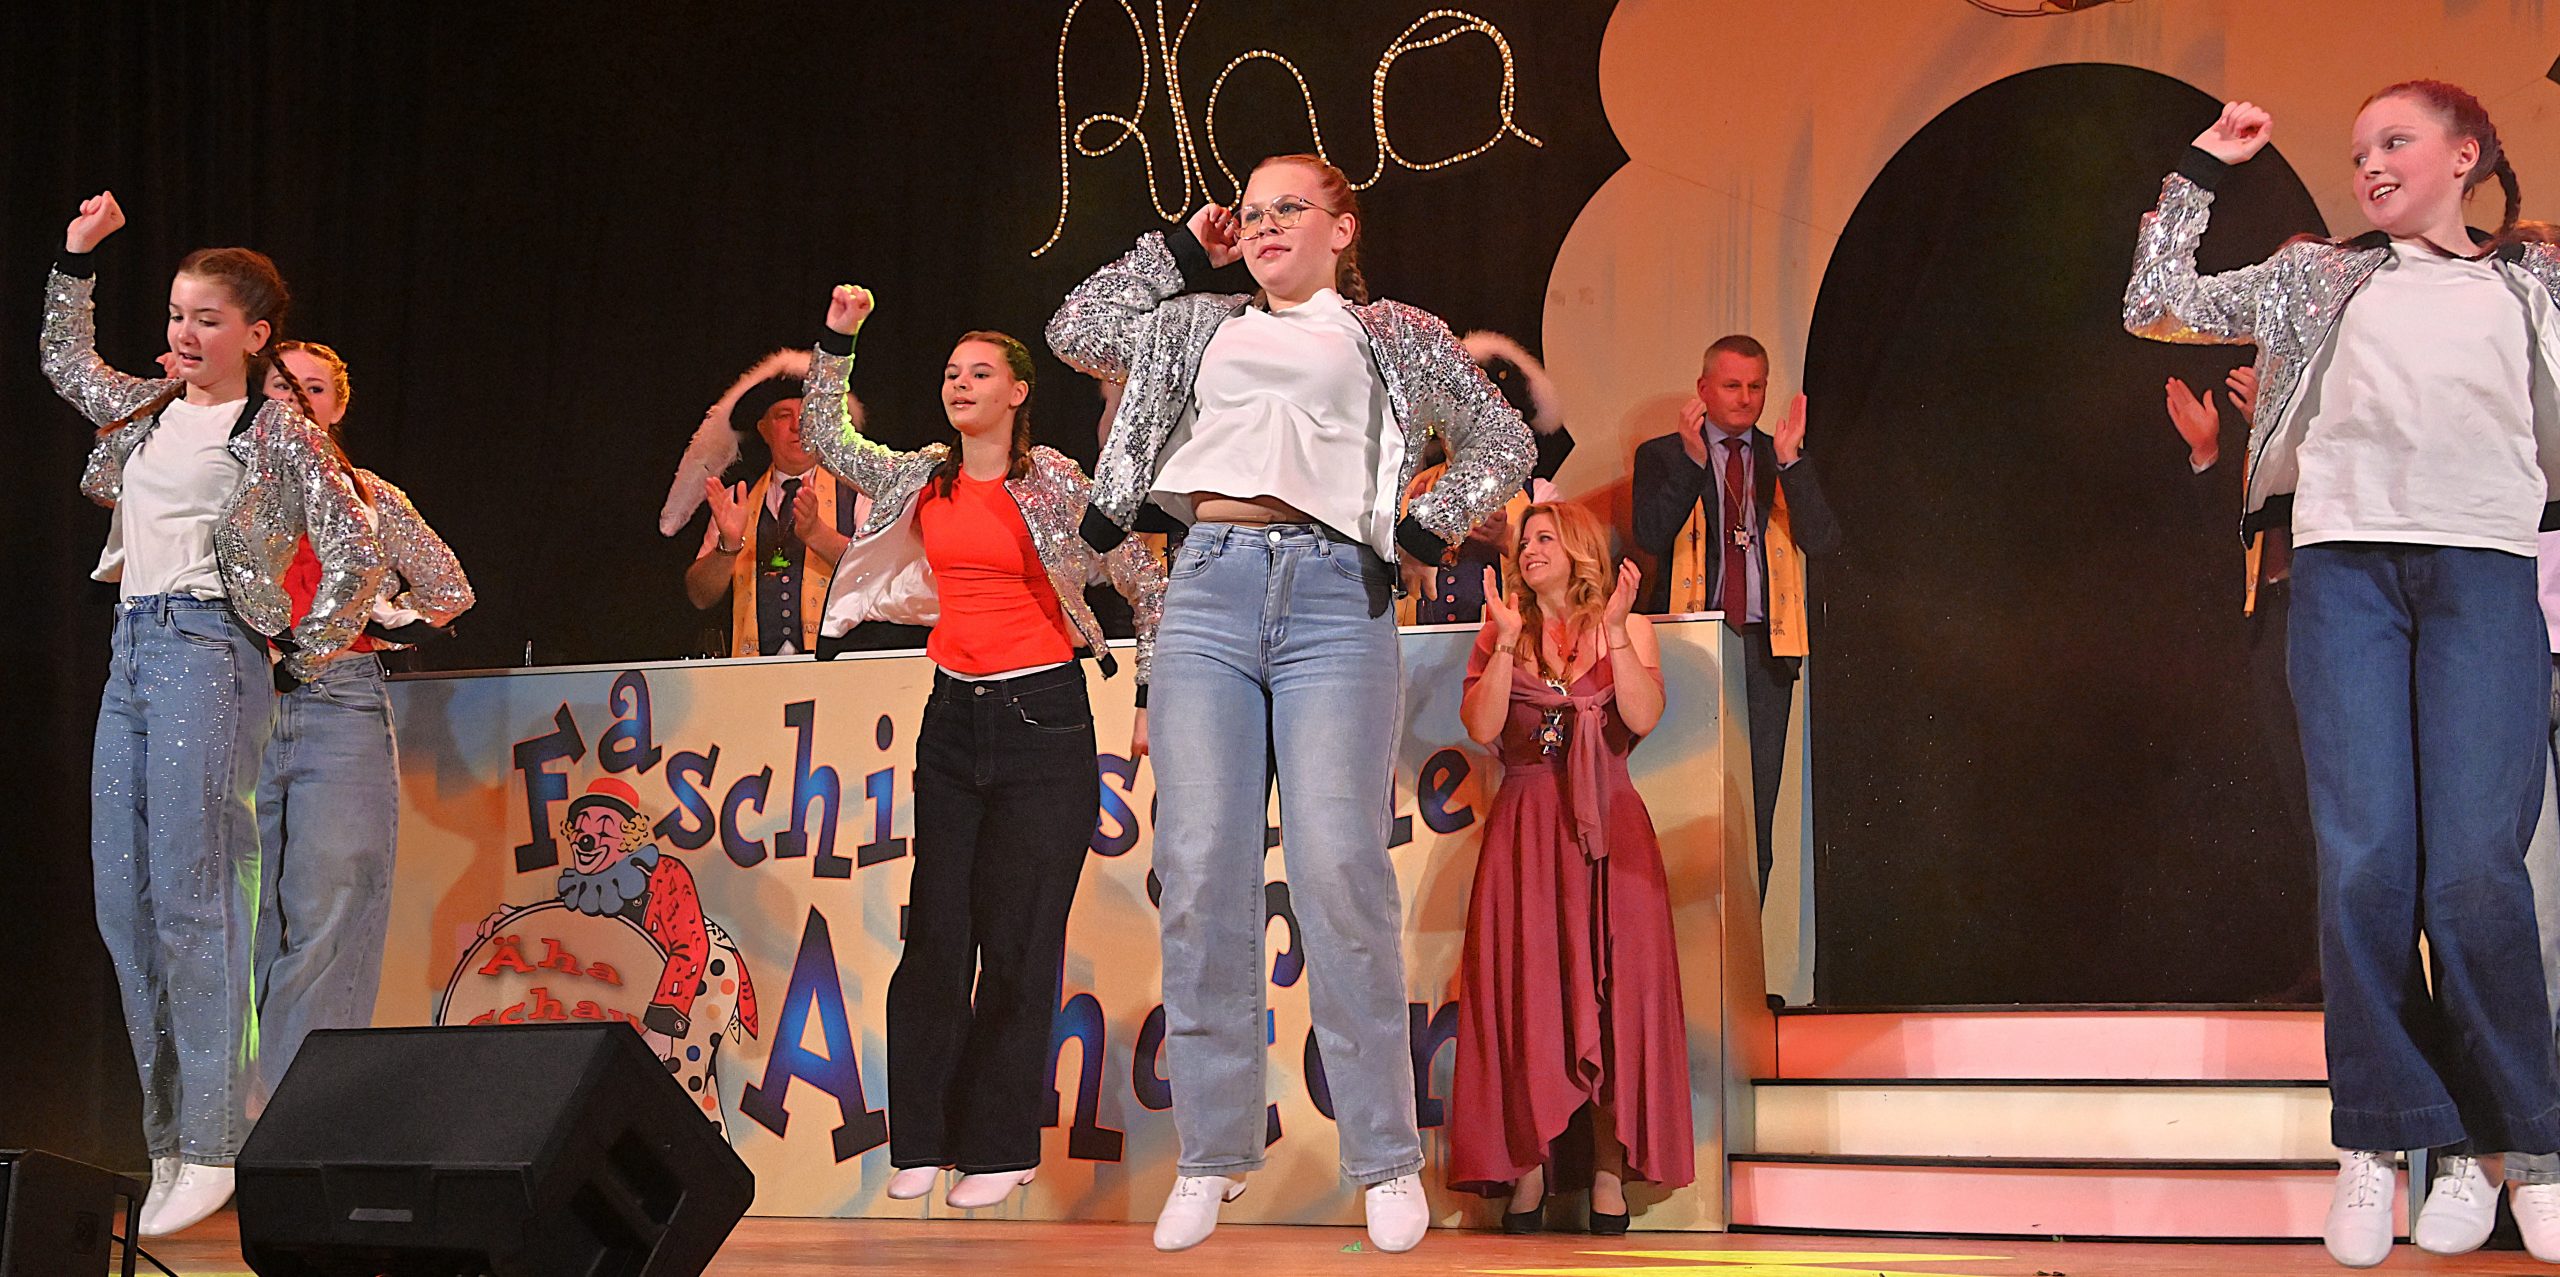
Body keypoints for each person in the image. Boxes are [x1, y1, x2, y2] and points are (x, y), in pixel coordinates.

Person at [1047, 153, 1533, 1253]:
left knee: (1338, 868)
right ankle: (1214, 1150)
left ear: (1341, 228)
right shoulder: (1197, 323)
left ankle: (1385, 1155)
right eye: (1251, 211)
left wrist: (1429, 524)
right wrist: (1185, 246)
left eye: (1287, 209)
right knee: (1200, 866)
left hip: (1334, 594)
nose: (1264, 225)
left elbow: (1504, 439)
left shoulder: (1392, 333)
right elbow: (1077, 326)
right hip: (1207, 585)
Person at [2125, 83, 2560, 1268]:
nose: (2368, 163)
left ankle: (2515, 1145)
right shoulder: (2316, 275)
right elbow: (2154, 302)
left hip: (2481, 575)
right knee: (2366, 865)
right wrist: (2201, 168)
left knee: (2473, 873)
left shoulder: (2533, 279)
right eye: (2359, 147)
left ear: (2463, 155)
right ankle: (2378, 1135)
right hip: (2344, 578)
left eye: (2394, 142)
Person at [43, 192, 383, 1236]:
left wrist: (300, 652)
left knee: (198, 899)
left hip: (206, 649)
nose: (183, 333)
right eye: (176, 315)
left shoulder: (277, 432)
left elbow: (359, 550)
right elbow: (66, 364)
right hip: (131, 647)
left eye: (206, 319)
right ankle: (169, 1138)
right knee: (125, 898)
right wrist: (77, 258)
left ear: (255, 334)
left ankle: (213, 1140)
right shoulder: (148, 409)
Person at [801, 285, 1164, 1211]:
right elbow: (826, 439)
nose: (960, 384)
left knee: (1017, 941)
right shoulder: (925, 477)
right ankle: (922, 1139)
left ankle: (1000, 1147)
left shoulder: (1060, 482)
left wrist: (1153, 691)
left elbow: (1143, 578)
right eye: (951, 373)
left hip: (1045, 721)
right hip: (953, 721)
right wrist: (838, 339)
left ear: (1017, 392)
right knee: (935, 937)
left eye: (980, 373)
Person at [1449, 500, 1691, 1233]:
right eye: (1525, 541)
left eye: (1545, 537)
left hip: (1612, 831)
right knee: (1528, 1000)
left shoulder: (1628, 626)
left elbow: (1643, 717)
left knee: (1619, 1003)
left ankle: (1610, 1175)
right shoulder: (1503, 629)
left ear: (1580, 547)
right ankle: (1527, 1173)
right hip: (1525, 834)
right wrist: (1504, 643)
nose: (1529, 549)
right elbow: (1483, 727)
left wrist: (1614, 631)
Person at [252, 341, 474, 1109]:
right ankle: (223, 1123)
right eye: (283, 385)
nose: (298, 399)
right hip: (237, 696)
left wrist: (379, 624)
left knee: (334, 902)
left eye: (314, 388)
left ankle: (294, 1118)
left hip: (338, 699)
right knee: (236, 916)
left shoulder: (368, 493)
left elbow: (448, 589)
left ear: (338, 405)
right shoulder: (224, 477)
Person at [1629, 336, 1841, 902]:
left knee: (1755, 813)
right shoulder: (1664, 455)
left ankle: (1748, 952)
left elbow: (1823, 541)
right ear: (1703, 389)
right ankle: (1678, 952)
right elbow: (1650, 535)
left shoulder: (1781, 455)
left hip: (1763, 651)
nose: (1745, 398)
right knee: (1680, 806)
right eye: (1731, 385)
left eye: (1755, 386)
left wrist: (1793, 465)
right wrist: (1693, 463)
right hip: (1688, 651)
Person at [2165, 364, 2322, 1002]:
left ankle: (2359, 973)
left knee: (2335, 804)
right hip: (2271, 621)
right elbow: (2230, 538)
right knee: (2292, 802)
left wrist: (2279, 425)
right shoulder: (2259, 441)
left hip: (2330, 613)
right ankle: (2322, 963)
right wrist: (2209, 454)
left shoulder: (2330, 410)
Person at [670, 353, 926, 655]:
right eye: (783, 416)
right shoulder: (737, 500)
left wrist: (818, 534)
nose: (797, 427)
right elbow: (700, 597)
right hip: (754, 672)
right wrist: (728, 546)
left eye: (807, 416)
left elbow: (883, 577)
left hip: (840, 667)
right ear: (764, 429)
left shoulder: (860, 493)